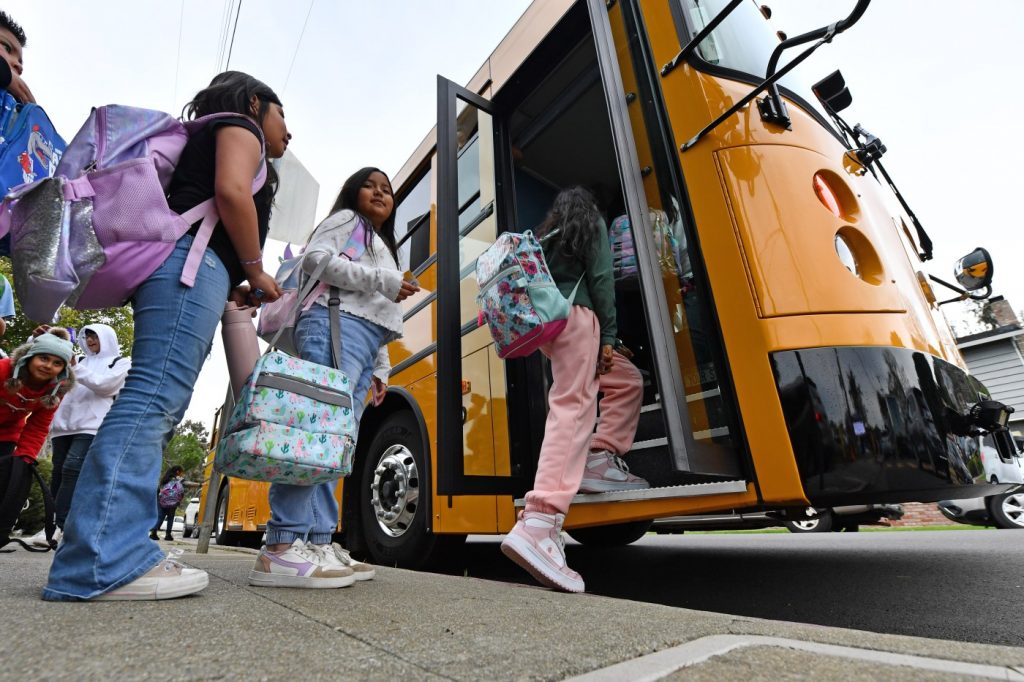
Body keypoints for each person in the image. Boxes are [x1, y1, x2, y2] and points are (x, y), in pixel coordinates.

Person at [43, 71, 288, 601]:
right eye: (281, 113)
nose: (287, 130)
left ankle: (103, 548)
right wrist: (256, 269)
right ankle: (103, 559)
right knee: (155, 396)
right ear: (254, 102)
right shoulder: (240, 127)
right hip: (187, 265)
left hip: (190, 266)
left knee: (157, 398)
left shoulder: (212, 131)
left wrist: (232, 281)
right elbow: (229, 193)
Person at [250, 167, 419, 589]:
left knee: (337, 440)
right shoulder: (347, 222)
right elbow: (316, 261)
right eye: (370, 185)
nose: (380, 193)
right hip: (331, 323)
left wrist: (381, 368)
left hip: (358, 336)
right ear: (352, 192)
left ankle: (320, 539)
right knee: (315, 432)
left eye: (387, 190)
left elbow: (376, 314)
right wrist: (384, 279)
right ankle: (282, 544)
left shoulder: (380, 244)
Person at [500, 187, 648, 593]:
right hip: (582, 320)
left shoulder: (548, 238)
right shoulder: (590, 225)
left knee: (623, 380)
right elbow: (602, 281)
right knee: (574, 408)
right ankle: (541, 520)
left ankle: (598, 458)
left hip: (554, 329)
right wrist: (610, 337)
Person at [25, 325, 129, 549]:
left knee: (72, 469)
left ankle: (60, 526)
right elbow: (41, 366)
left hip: (91, 426)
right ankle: (50, 527)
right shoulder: (78, 360)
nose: (90, 340)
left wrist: (74, 367)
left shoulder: (120, 362)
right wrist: (38, 338)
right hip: (63, 426)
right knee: (58, 474)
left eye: (95, 336)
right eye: (87, 336)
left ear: (107, 338)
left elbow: (106, 386)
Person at [0, 329, 75, 548]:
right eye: (43, 358)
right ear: (29, 357)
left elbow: (38, 426)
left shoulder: (54, 391)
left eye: (57, 363)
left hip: (7, 434)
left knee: (7, 478)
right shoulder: (4, 370)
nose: (48, 366)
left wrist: (25, 457)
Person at [151, 465, 185, 541]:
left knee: (160, 517)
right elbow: (183, 489)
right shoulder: (178, 481)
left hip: (161, 501)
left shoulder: (164, 479)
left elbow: (158, 490)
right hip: (173, 502)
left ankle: (153, 533)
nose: (182, 474)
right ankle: (168, 535)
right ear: (177, 472)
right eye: (181, 472)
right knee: (170, 517)